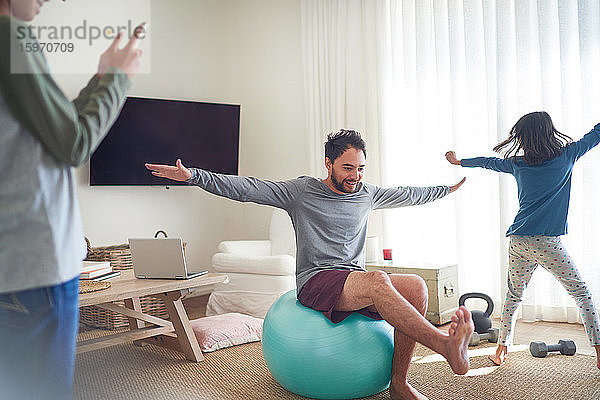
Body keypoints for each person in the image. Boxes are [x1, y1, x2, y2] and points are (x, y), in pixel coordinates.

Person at [146, 129, 474, 400]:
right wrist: (194, 176)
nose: (355, 177)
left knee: (415, 286)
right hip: (317, 282)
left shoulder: (367, 193)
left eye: (360, 169)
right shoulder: (302, 192)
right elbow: (248, 188)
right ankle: (443, 344)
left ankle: (400, 385)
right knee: (377, 281)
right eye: (347, 168)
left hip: (353, 280)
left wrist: (446, 189)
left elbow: (408, 194)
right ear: (328, 163)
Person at [0, 0, 144, 398]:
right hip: (36, 264)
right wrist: (117, 79)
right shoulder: (11, 36)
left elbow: (54, 131)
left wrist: (101, 79)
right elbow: (75, 144)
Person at [446, 111, 600, 369]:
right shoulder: (567, 155)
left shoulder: (519, 163)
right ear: (550, 133)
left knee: (514, 295)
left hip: (518, 240)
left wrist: (459, 161)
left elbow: (488, 162)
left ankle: (501, 349)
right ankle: (599, 351)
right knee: (581, 293)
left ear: (524, 138)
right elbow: (595, 135)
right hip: (546, 242)